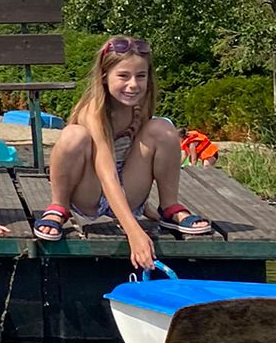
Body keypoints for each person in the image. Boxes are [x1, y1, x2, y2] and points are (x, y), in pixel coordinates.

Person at [34, 35, 212, 264]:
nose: (133, 85)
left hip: (128, 190)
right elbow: (107, 173)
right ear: (104, 76)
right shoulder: (93, 111)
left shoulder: (140, 105)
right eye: (123, 76)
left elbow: (137, 157)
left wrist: (143, 208)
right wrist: (134, 232)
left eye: (141, 76)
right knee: (73, 135)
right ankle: (58, 206)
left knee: (163, 127)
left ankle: (169, 207)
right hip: (90, 190)